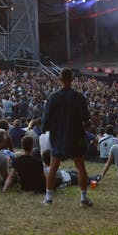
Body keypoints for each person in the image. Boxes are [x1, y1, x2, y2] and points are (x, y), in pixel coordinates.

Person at [41, 67, 93, 206]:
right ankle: (83, 198)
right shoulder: (79, 97)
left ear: (60, 79)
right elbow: (86, 119)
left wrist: (44, 128)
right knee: (80, 167)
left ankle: (48, 198)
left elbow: (46, 119)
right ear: (72, 79)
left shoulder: (53, 97)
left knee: (53, 166)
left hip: (58, 136)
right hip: (76, 136)